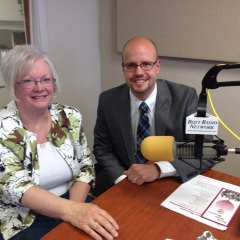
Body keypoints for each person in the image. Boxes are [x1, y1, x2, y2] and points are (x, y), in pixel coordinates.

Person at [0, 45, 119, 240]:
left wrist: (76, 209)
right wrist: (71, 212)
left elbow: (86, 166)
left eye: (46, 80)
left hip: (73, 199)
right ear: (14, 85)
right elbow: (16, 187)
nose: (40, 88)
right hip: (24, 215)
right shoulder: (3, 127)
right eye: (29, 81)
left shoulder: (69, 116)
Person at [93, 36, 215, 196]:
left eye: (146, 64)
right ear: (123, 68)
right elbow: (103, 149)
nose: (138, 72)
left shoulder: (185, 97)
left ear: (158, 66)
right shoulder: (108, 100)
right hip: (125, 182)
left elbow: (206, 150)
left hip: (168, 182)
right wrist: (122, 179)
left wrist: (159, 170)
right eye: (131, 65)